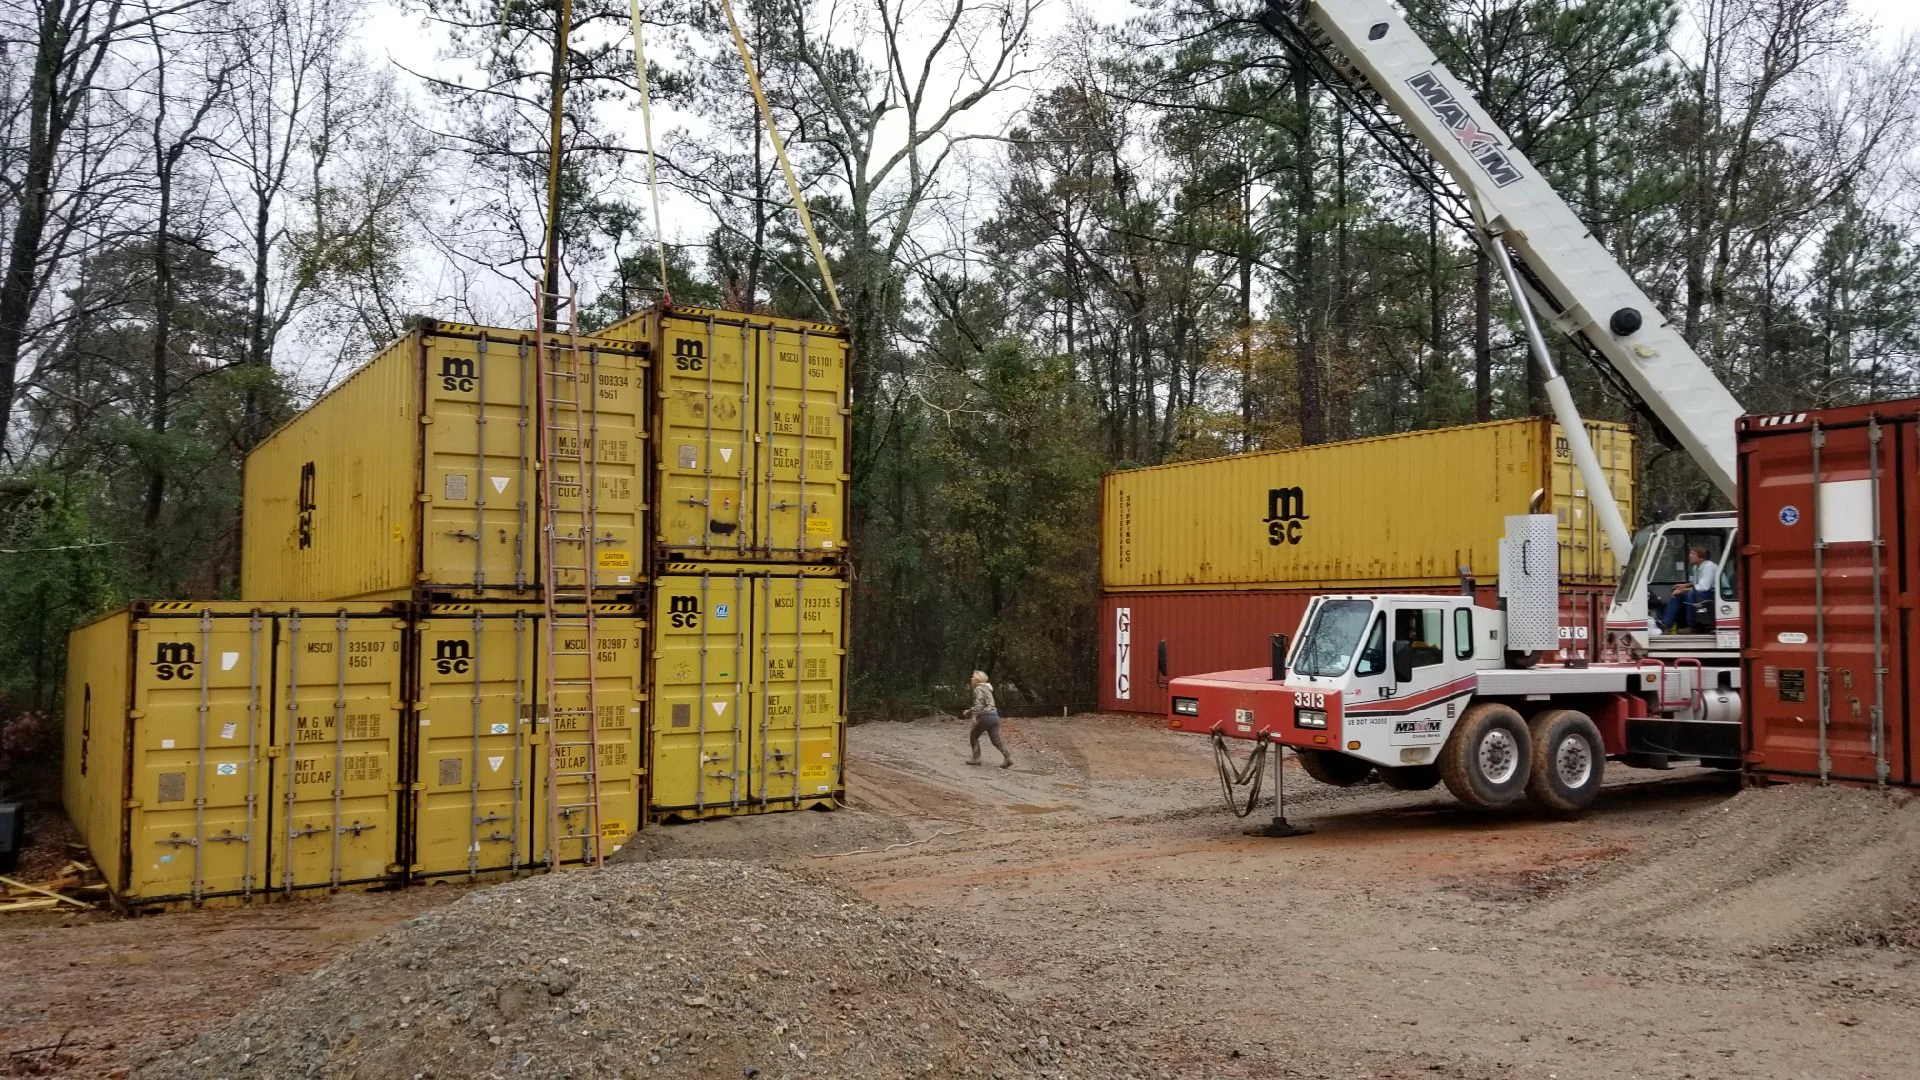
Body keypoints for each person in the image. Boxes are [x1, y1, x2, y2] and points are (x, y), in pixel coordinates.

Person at [1661, 545, 1719, 633]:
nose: (1690, 556)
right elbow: (1696, 583)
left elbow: (1703, 587)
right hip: (1704, 592)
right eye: (1690, 553)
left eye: (1693, 554)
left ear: (1701, 558)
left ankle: (1692, 626)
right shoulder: (1696, 567)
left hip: (1714, 594)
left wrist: (1682, 590)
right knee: (1678, 596)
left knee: (1691, 594)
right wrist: (1684, 586)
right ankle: (1666, 624)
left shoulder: (1708, 567)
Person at [962, 670, 1012, 769]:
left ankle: (976, 759)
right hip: (994, 716)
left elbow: (979, 704)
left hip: (985, 717)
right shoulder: (987, 689)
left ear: (977, 679)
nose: (971, 679)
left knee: (973, 736)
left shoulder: (978, 689)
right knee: (996, 740)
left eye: (973, 677)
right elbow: (987, 704)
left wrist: (973, 716)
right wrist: (969, 710)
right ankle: (1007, 757)